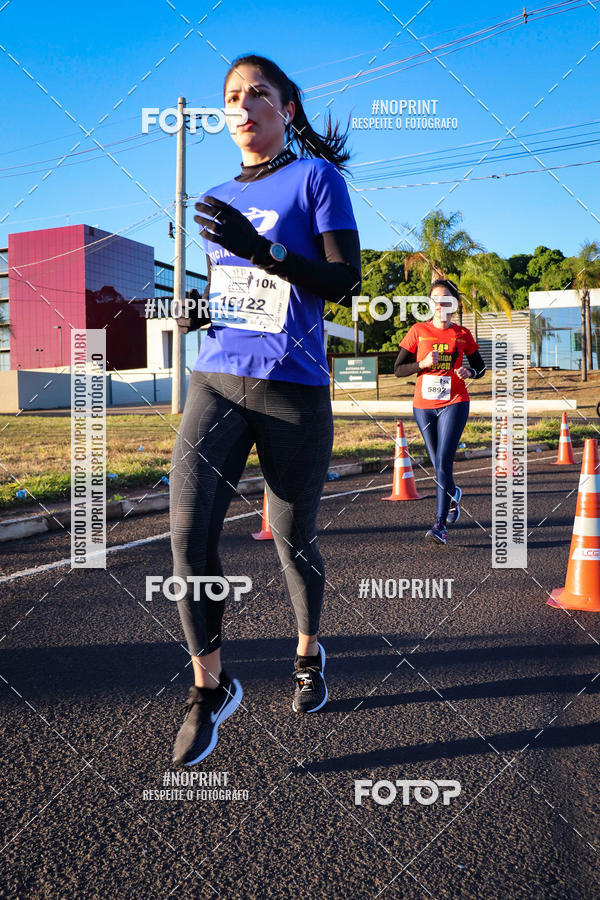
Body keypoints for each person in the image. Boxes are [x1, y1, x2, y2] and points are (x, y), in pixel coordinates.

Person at [170, 54, 361, 766]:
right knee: (187, 539)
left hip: (293, 389)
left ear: (286, 108)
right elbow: (236, 290)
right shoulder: (217, 192)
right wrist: (200, 306)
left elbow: (342, 280)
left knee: (292, 539)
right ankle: (209, 687)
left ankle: (308, 650)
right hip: (216, 379)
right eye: (230, 97)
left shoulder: (316, 178)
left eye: (258, 94)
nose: (242, 105)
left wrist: (266, 248)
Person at [393, 279, 486, 545]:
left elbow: (480, 368)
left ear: (454, 305)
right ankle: (453, 491)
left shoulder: (462, 334)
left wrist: (470, 372)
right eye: (436, 300)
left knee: (444, 462)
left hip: (455, 401)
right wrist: (421, 363)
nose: (440, 305)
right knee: (438, 465)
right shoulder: (418, 330)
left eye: (447, 300)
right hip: (423, 407)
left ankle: (440, 525)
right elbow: (398, 369)